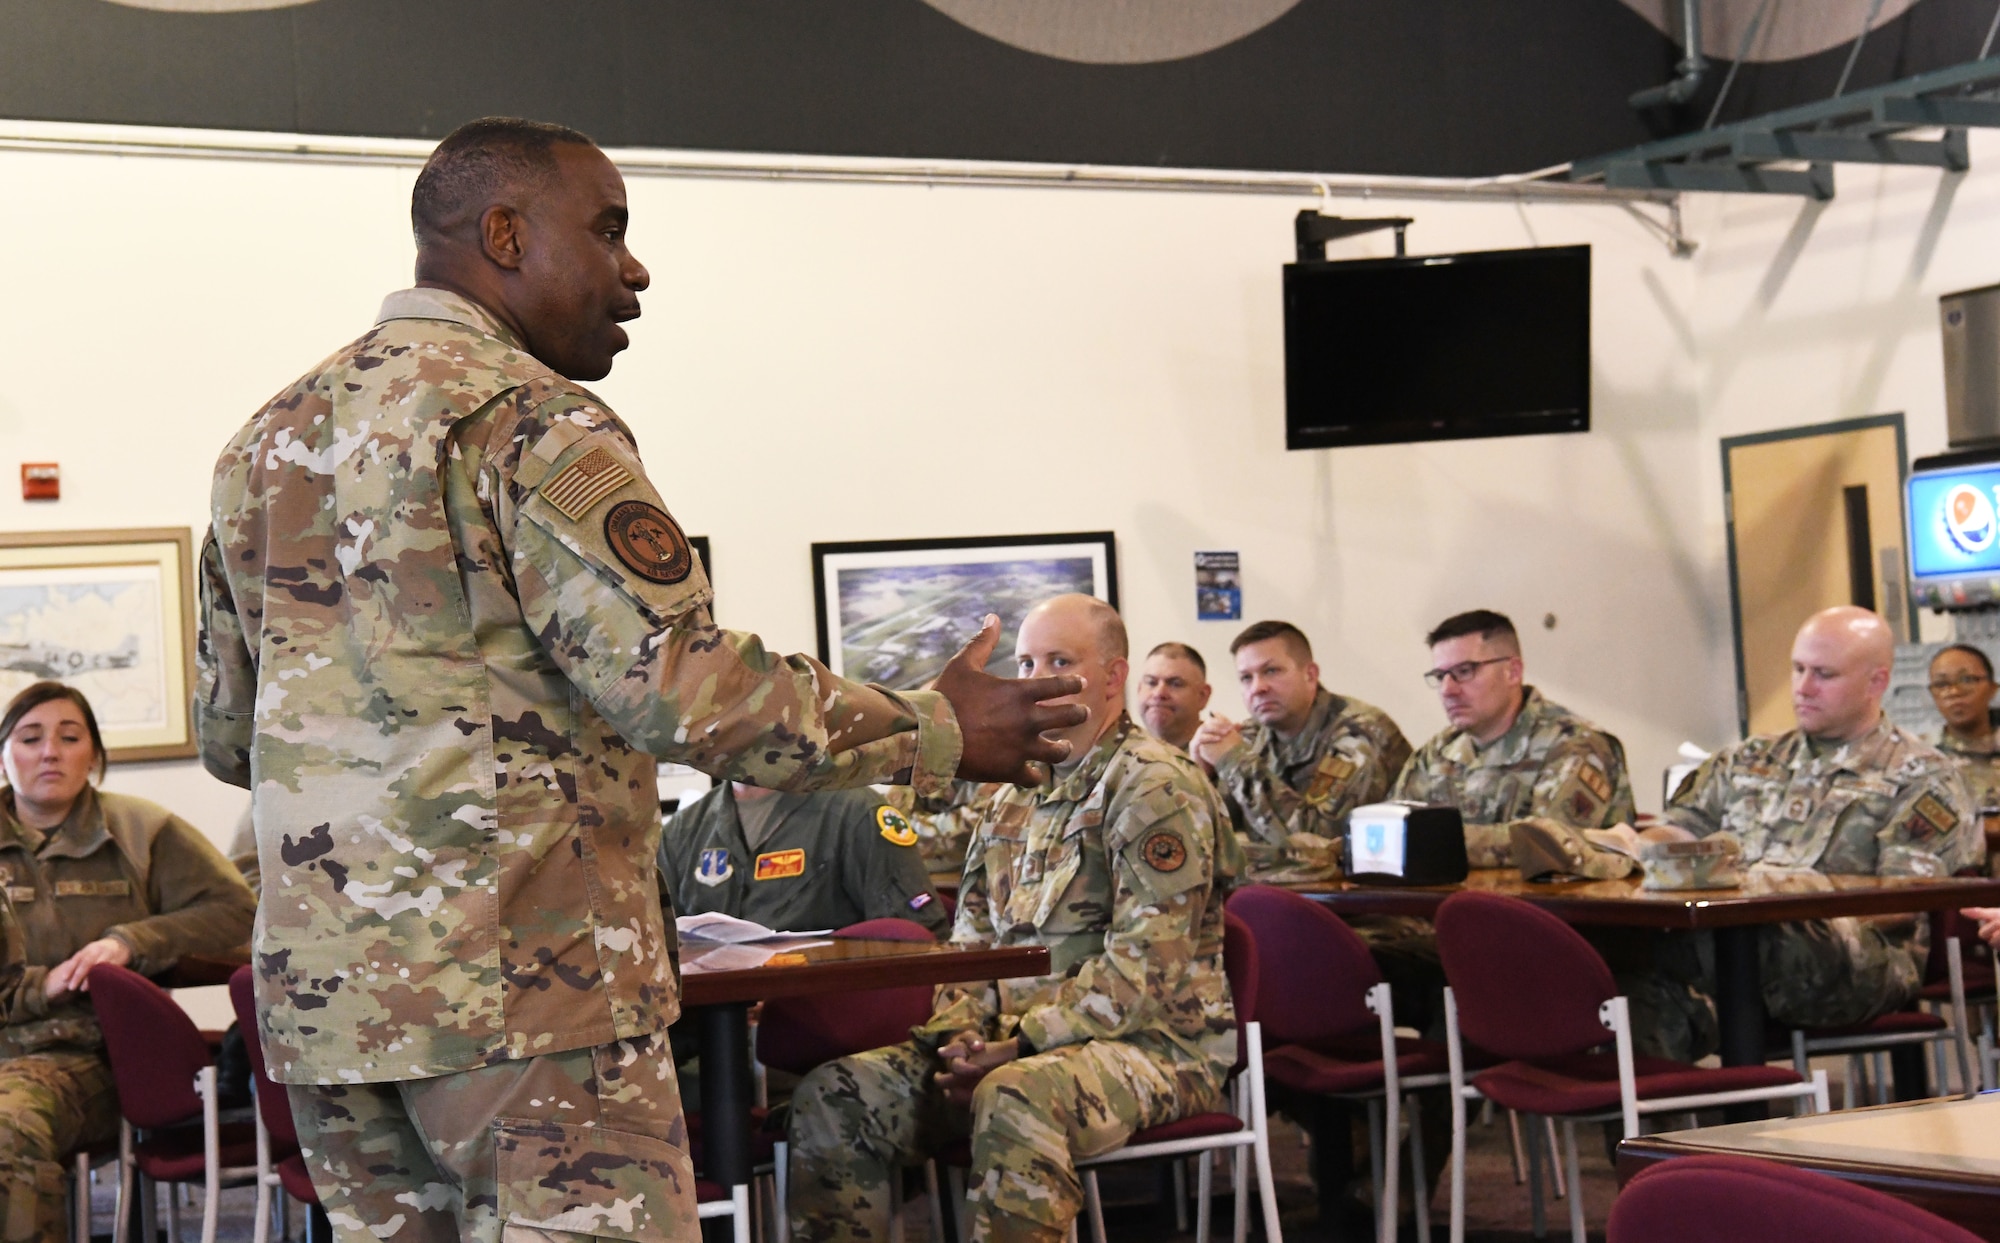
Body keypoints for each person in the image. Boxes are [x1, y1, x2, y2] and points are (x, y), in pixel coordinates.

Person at [194, 117, 1085, 1243]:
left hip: (334, 1012)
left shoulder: (260, 445)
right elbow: (683, 688)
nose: (634, 267)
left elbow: (231, 736)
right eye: (607, 230)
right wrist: (936, 728)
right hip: (527, 1000)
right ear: (504, 234)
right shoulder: (527, 419)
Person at [786, 595, 1236, 1243]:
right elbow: (971, 941)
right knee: (835, 1093)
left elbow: (1146, 969)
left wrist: (1018, 1045)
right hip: (1005, 1046)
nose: (1037, 678)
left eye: (1060, 660)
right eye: (1026, 661)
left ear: (1113, 677)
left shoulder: (1154, 787)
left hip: (1157, 1047)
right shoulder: (1013, 793)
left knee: (1015, 1095)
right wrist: (962, 1038)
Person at [1635, 607, 1980, 1062]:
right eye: (1798, 669)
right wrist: (1645, 853)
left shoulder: (1921, 776)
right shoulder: (1750, 757)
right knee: (1615, 950)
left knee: (1759, 938)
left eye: (1824, 674)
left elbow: (1902, 904)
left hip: (1856, 961)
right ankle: (1667, 1110)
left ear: (1876, 682)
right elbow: (1673, 829)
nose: (1803, 687)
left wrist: (1784, 902)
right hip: (1735, 937)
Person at [0, 682, 254, 1241]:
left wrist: (131, 941)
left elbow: (237, 910)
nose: (50, 752)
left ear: (94, 754)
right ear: (4, 753)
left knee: (7, 1127)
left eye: (70, 737)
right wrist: (42, 985)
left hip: (86, 1053)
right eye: (30, 737)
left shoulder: (140, 830)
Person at [1392, 609, 1635, 863]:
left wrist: (1431, 841)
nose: (1447, 690)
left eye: (1464, 671)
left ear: (1513, 671)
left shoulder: (1575, 744)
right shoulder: (1439, 751)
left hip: (1557, 900)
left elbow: (1548, 845)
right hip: (1452, 900)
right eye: (1440, 676)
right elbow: (1390, 828)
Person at [1192, 620, 1410, 881]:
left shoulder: (1359, 732)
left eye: (1271, 671)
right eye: (1246, 678)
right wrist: (1202, 775)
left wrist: (1233, 761)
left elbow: (1317, 843)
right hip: (1284, 898)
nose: (1258, 687)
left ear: (1310, 674)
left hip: (1372, 904)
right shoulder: (1252, 735)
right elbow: (1206, 840)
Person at [658, 783, 949, 935]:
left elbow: (917, 940)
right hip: (708, 1035)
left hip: (822, 1028)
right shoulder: (681, 832)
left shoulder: (855, 811)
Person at [1927, 643, 2000, 870]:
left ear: (1992, 688)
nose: (1954, 691)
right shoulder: (1921, 759)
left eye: (1967, 680)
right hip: (1956, 889)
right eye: (1941, 684)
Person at [1137, 641, 1211, 752]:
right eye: (1151, 682)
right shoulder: (1122, 756)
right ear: (1139, 689)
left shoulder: (1221, 757)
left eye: (1175, 684)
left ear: (1202, 696)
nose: (1159, 693)